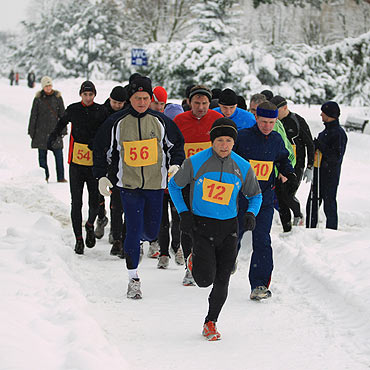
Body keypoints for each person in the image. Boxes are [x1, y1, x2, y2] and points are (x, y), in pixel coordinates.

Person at [168, 118, 262, 341]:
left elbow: (255, 195)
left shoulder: (242, 166)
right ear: (212, 141)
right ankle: (193, 260)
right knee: (204, 280)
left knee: (223, 278)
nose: (224, 145)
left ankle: (211, 321)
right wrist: (183, 212)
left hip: (229, 228)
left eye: (229, 140)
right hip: (201, 227)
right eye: (220, 140)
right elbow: (174, 185)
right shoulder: (196, 162)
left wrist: (250, 213)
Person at [93, 76, 185, 299]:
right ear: (130, 99)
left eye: (146, 98)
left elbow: (177, 145)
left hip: (155, 185)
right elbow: (100, 148)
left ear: (150, 98)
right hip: (128, 185)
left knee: (152, 231)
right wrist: (102, 177)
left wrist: (175, 164)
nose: (142, 103)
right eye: (137, 98)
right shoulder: (117, 122)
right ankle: (133, 277)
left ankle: (140, 241)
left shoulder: (160, 121)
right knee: (133, 230)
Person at [234, 101, 298, 301]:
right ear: (256, 118)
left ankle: (259, 284)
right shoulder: (242, 137)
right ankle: (225, 263)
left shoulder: (276, 139)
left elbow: (282, 158)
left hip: (264, 198)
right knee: (232, 235)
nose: (267, 126)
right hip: (240, 197)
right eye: (263, 122)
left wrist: (288, 171)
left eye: (271, 122)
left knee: (262, 240)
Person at [48, 81, 109, 255]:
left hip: (93, 164)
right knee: (76, 202)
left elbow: (107, 131)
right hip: (76, 163)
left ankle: (90, 224)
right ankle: (78, 240)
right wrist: (53, 136)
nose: (88, 98)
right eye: (85, 95)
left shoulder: (101, 111)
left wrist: (97, 143)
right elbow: (62, 123)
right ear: (80, 95)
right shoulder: (74, 109)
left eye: (91, 95)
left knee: (94, 201)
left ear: (94, 95)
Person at [173, 85, 223, 285]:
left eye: (204, 103)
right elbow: (173, 148)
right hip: (187, 180)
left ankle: (212, 263)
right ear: (189, 102)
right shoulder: (179, 121)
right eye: (196, 103)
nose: (201, 107)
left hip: (211, 183)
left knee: (211, 224)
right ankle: (189, 266)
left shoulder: (217, 121)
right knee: (188, 224)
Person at [270, 95, 315, 231]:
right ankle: (287, 229)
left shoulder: (297, 120)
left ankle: (298, 215)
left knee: (287, 195)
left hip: (296, 165)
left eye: (276, 110)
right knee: (280, 197)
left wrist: (310, 166)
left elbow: (310, 144)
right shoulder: (273, 122)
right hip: (279, 165)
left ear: (285, 108)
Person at [306, 101, 347, 230]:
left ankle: (331, 232)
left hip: (330, 176)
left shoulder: (338, 134)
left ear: (329, 114)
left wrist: (320, 146)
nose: (321, 114)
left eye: (323, 112)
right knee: (312, 204)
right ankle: (310, 230)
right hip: (319, 174)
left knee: (329, 205)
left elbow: (336, 157)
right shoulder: (325, 132)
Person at [96, 86, 128, 251]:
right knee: (114, 201)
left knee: (126, 203)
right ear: (110, 99)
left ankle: (122, 236)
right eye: (115, 102)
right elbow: (99, 137)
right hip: (112, 162)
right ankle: (115, 236)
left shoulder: (128, 113)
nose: (117, 105)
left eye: (121, 103)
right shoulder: (102, 112)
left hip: (127, 161)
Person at [155, 101, 185, 268]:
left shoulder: (182, 138)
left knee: (178, 219)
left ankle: (178, 247)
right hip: (160, 184)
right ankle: (164, 252)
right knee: (163, 220)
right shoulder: (159, 134)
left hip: (178, 185)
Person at [28, 76, 67, 183]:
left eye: (50, 85)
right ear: (43, 87)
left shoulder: (58, 97)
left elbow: (63, 115)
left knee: (59, 156)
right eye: (46, 86)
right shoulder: (38, 99)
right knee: (42, 157)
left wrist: (63, 130)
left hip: (55, 132)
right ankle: (44, 177)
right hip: (41, 132)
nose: (48, 88)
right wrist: (31, 131)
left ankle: (61, 177)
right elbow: (33, 116)